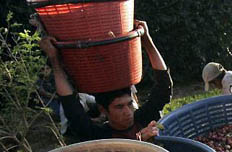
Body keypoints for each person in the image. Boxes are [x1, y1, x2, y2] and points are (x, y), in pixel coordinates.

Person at [39, 20, 172, 142]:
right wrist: (54, 59)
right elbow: (71, 106)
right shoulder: (98, 135)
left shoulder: (142, 119)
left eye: (129, 104)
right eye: (119, 107)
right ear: (103, 109)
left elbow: (164, 87)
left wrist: (147, 42)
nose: (128, 112)